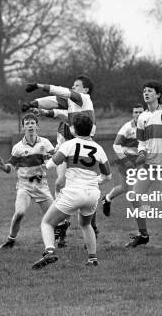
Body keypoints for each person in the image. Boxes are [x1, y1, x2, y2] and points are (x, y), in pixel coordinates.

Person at [23, 75, 97, 245]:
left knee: (84, 189)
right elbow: (55, 103)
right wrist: (35, 104)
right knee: (60, 183)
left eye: (76, 85)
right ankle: (62, 224)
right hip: (71, 149)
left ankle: (91, 226)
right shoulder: (73, 104)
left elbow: (61, 92)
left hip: (83, 149)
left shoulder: (83, 98)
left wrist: (39, 85)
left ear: (85, 89)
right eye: (73, 85)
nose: (73, 87)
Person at [31, 113, 111, 269]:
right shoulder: (99, 148)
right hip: (92, 194)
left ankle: (49, 251)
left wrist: (44, 166)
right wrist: (95, 181)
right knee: (85, 224)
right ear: (91, 130)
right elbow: (108, 176)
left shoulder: (69, 144)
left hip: (74, 192)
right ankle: (92, 259)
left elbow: (52, 164)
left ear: (73, 130)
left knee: (47, 223)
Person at [126, 80, 162, 248]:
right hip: (149, 165)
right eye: (144, 91)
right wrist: (142, 153)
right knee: (135, 197)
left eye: (150, 91)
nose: (146, 93)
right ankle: (143, 235)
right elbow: (141, 143)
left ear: (158, 94)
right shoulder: (142, 117)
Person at [0, 113, 55, 250]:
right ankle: (11, 240)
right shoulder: (18, 147)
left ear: (37, 126)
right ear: (23, 128)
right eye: (27, 123)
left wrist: (53, 157)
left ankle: (60, 238)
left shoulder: (45, 143)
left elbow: (55, 158)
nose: (30, 125)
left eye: (32, 123)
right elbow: (10, 167)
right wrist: (4, 167)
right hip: (24, 186)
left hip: (41, 185)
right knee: (20, 213)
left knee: (56, 216)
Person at [100, 103, 144, 216]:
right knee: (124, 188)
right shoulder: (127, 127)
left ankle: (139, 210)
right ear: (133, 114)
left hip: (139, 159)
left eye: (141, 112)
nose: (138, 114)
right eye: (136, 112)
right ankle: (108, 198)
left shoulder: (148, 126)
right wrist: (126, 161)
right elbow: (116, 145)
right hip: (125, 159)